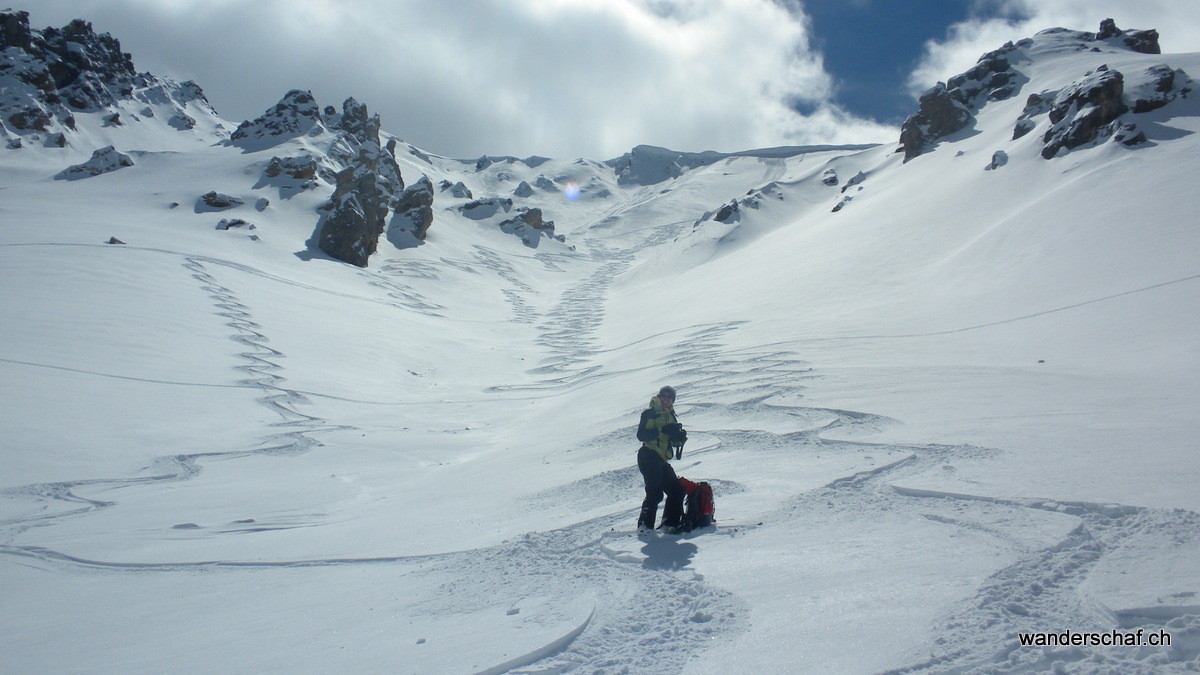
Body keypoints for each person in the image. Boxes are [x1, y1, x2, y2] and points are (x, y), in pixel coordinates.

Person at [636, 385, 688, 534]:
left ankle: (670, 525)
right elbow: (641, 435)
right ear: (659, 397)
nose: (666, 399)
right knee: (655, 493)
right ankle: (644, 528)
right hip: (648, 454)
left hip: (661, 459)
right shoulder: (650, 413)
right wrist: (660, 431)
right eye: (663, 396)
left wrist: (679, 438)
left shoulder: (671, 416)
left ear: (673, 400)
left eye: (669, 397)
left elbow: (674, 443)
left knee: (677, 491)